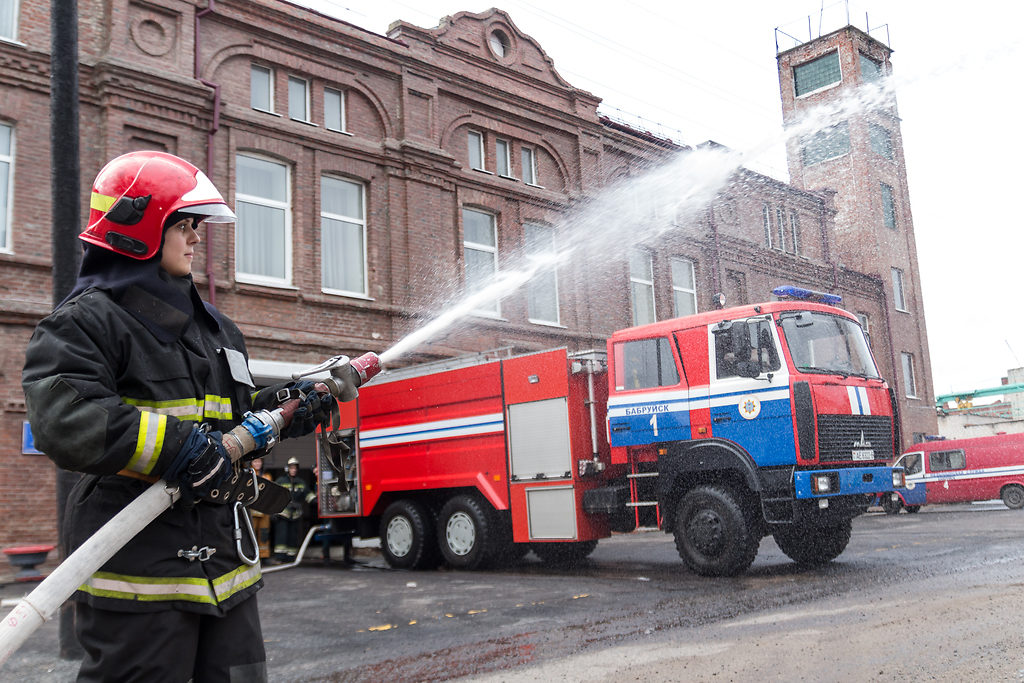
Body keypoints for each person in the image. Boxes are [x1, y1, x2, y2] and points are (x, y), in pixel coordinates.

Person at [22, 151, 332, 682]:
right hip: (139, 578)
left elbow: (232, 424)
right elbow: (65, 418)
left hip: (228, 573)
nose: (195, 239)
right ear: (141, 225)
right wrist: (179, 448)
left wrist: (289, 409)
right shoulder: (86, 323)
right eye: (185, 226)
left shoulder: (217, 331)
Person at [273, 457, 317, 563]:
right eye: (291, 468)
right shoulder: (280, 481)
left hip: (295, 515)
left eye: (295, 468)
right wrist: (273, 512)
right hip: (282, 514)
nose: (293, 470)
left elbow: (308, 495)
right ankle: (280, 557)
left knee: (293, 537)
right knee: (281, 536)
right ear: (287, 469)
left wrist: (317, 501)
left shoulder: (301, 482)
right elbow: (273, 496)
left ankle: (291, 557)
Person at [250, 457, 274, 560]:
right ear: (251, 463)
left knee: (264, 533)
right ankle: (252, 554)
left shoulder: (267, 476)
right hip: (252, 509)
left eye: (259, 461)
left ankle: (264, 555)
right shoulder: (249, 475)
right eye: (255, 461)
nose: (257, 464)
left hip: (264, 510)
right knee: (251, 533)